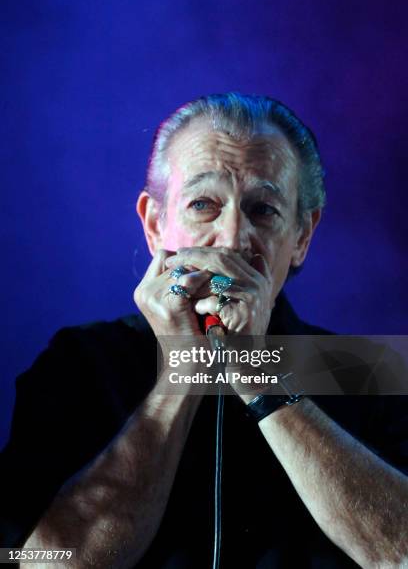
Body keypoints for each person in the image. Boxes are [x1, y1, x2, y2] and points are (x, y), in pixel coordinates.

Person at [0, 93, 407, 568]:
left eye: (264, 210)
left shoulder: (366, 369)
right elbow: (41, 565)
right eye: (203, 204)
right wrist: (182, 374)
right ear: (155, 225)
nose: (233, 237)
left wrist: (257, 374)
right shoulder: (82, 363)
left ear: (301, 237)